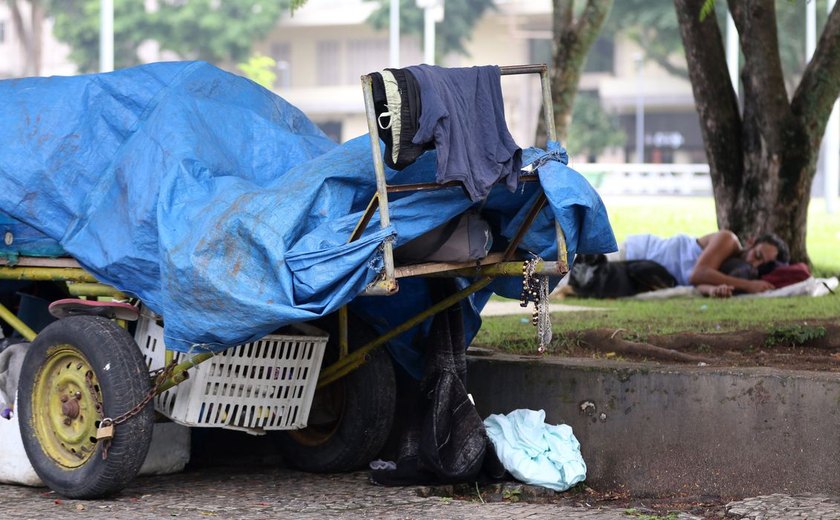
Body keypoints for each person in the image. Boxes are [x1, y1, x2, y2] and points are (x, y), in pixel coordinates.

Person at [621, 230, 790, 298]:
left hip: (643, 273)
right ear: (751, 242)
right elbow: (697, 274)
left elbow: (700, 284)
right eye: (757, 254)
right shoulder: (729, 240)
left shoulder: (733, 272)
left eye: (762, 264)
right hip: (638, 251)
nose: (754, 263)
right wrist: (749, 285)